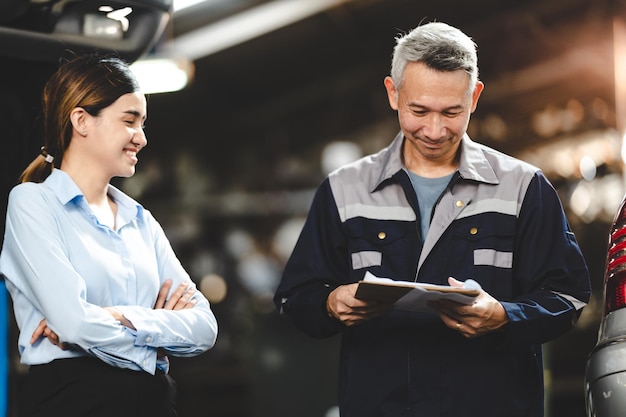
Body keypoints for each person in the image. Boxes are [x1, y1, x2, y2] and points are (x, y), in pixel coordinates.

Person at [274, 21, 591, 417]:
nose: (435, 130)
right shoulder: (344, 191)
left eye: (452, 112)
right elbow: (294, 297)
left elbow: (569, 296)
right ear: (393, 92)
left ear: (474, 97)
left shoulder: (524, 188)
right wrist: (329, 302)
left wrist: (505, 317)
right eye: (419, 110)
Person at [0, 54, 218, 417]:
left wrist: (113, 316)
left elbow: (204, 328)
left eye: (143, 123)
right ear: (82, 120)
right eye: (129, 121)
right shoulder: (33, 203)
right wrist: (155, 337)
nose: (142, 138)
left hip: (153, 402)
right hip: (72, 401)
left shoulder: (141, 220)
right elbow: (74, 321)